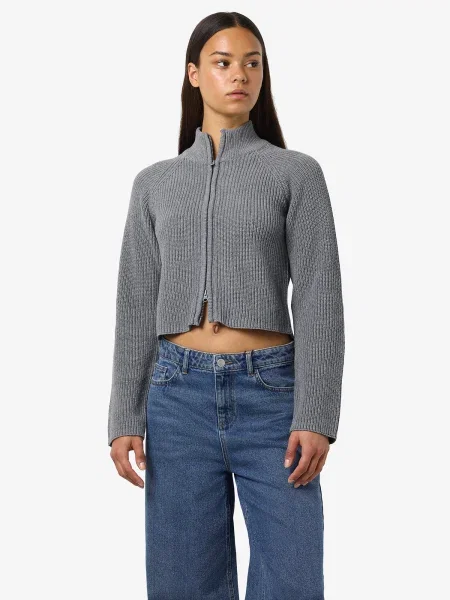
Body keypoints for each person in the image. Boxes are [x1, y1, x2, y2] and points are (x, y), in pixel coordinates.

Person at [108, 11, 345, 600]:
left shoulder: (296, 173)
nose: (239, 74)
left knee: (292, 581)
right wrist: (124, 417)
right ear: (194, 74)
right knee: (183, 585)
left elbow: (320, 297)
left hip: (272, 397)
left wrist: (316, 413)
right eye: (222, 62)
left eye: (252, 63)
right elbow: (136, 303)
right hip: (176, 398)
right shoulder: (154, 183)